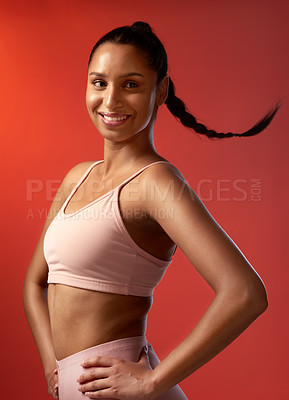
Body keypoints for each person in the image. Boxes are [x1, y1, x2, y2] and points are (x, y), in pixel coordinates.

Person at [22, 21, 280, 400]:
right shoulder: (77, 177)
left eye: (130, 84)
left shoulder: (156, 183)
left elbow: (246, 292)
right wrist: (53, 366)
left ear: (159, 92)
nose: (110, 101)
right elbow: (33, 283)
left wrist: (152, 382)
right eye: (99, 82)